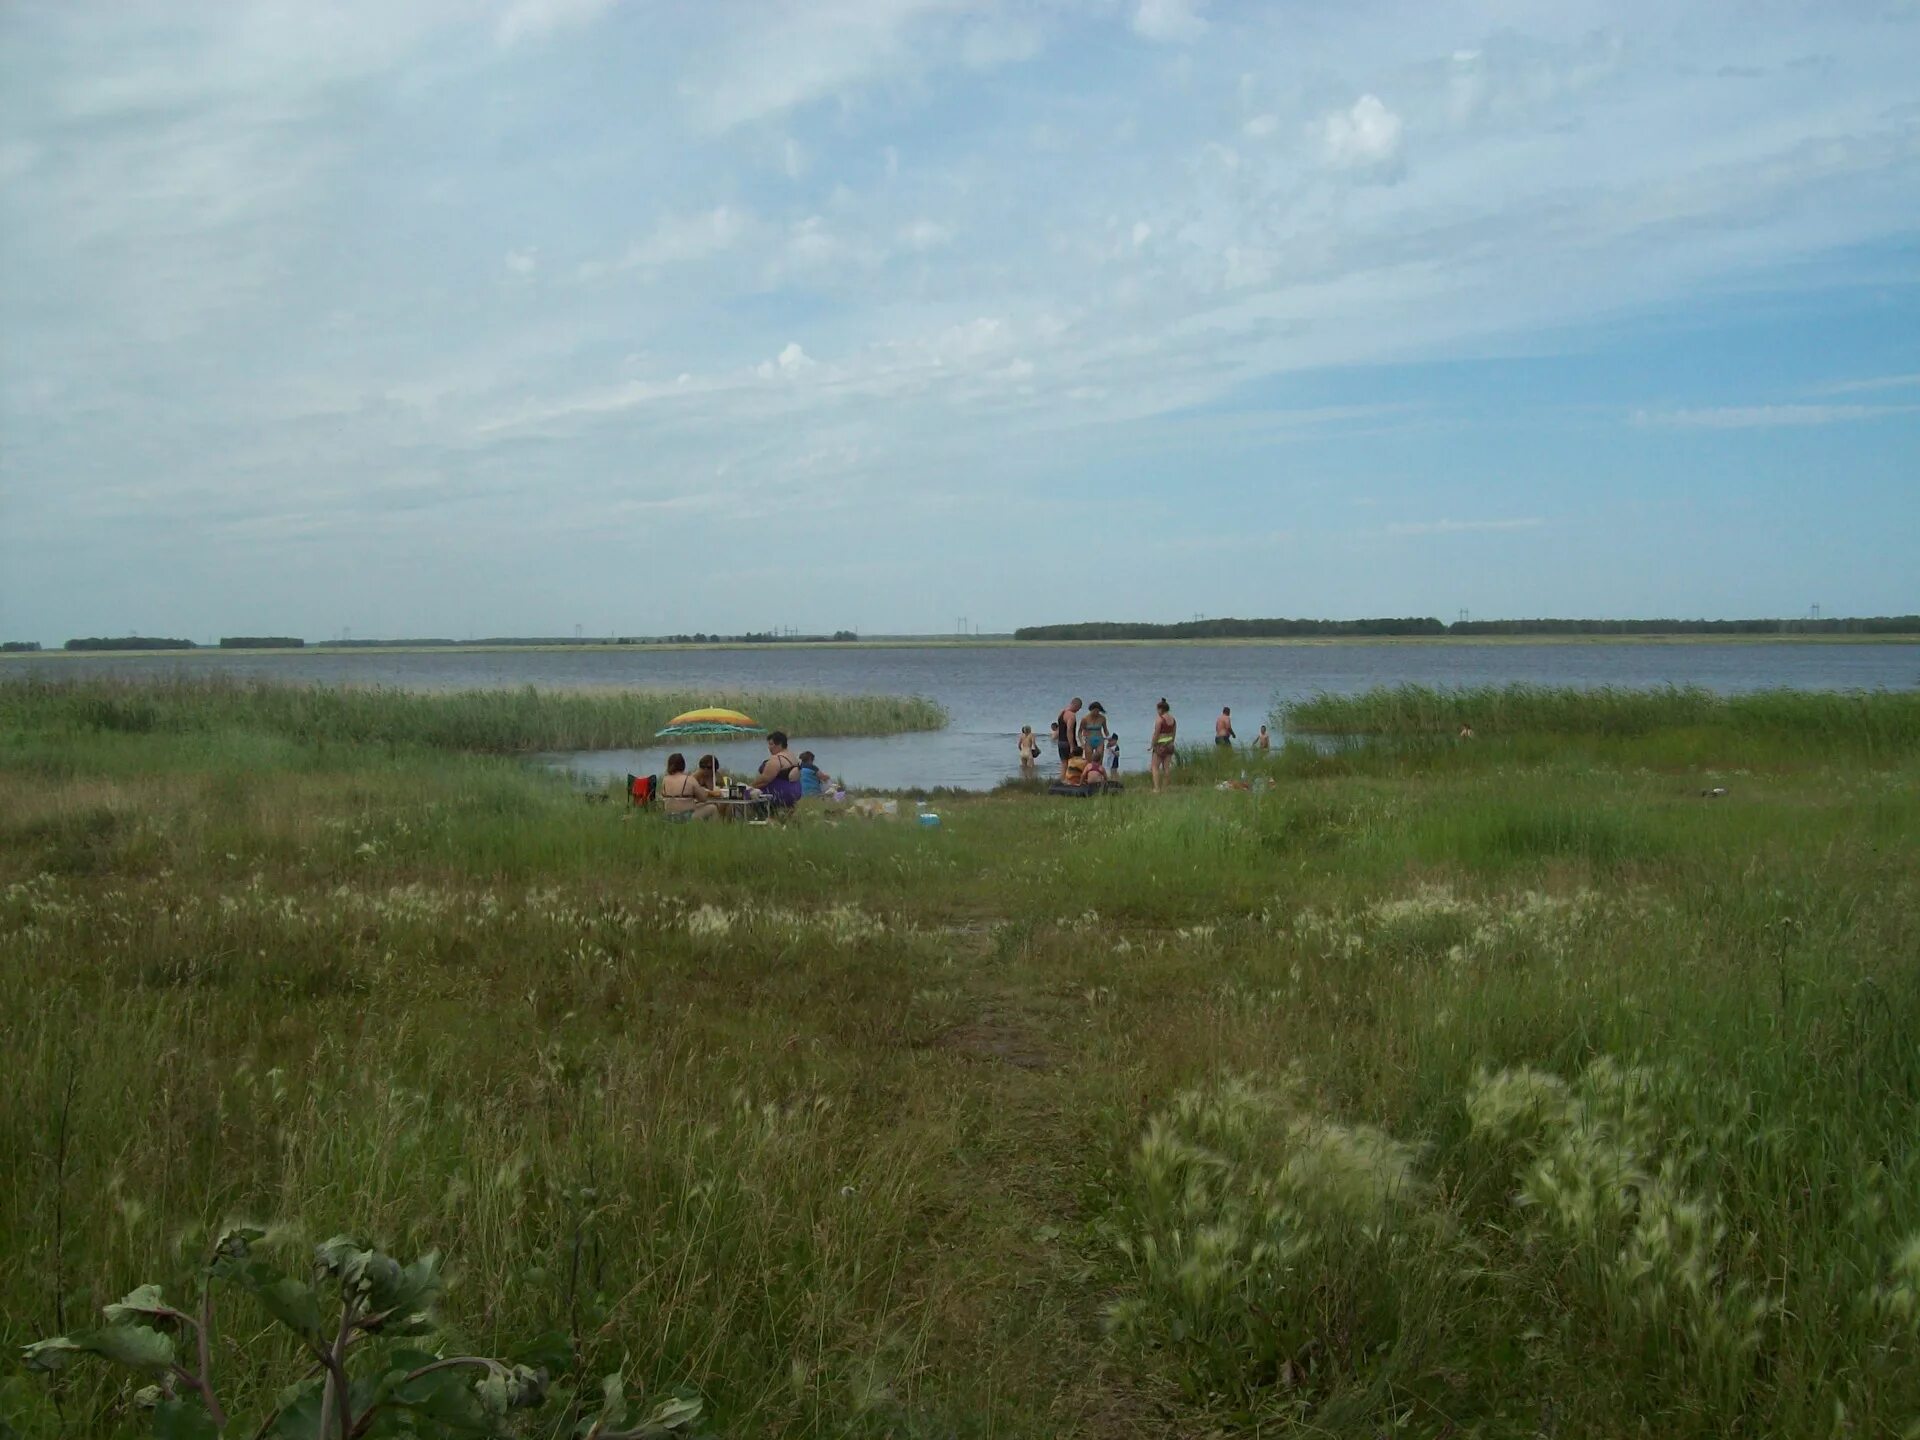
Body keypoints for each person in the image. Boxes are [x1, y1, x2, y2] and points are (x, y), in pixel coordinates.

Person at [659, 752, 718, 822]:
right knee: (713, 808)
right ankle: (715, 830)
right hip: (686, 816)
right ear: (683, 765)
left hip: (669, 816)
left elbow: (663, 795)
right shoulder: (689, 779)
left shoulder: (665, 780)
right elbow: (703, 799)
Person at [757, 731, 804, 808]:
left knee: (745, 794)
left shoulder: (777, 759)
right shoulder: (792, 756)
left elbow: (765, 780)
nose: (769, 747)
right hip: (796, 792)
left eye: (771, 744)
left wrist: (750, 787)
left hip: (779, 794)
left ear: (780, 744)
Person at [1150, 697, 1177, 793]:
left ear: (1161, 709)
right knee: (1166, 767)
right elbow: (1174, 733)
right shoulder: (1173, 719)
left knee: (1154, 767)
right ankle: (1165, 788)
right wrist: (1171, 742)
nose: (1157, 711)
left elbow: (1156, 734)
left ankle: (1157, 788)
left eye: (1158, 709)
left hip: (1160, 745)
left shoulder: (1160, 720)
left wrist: (1152, 745)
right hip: (1169, 745)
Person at [1056, 697, 1083, 780]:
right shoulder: (1071, 716)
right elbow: (1069, 731)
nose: (1078, 710)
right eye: (1078, 708)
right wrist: (1072, 746)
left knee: (1064, 763)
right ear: (1076, 705)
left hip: (1060, 742)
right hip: (1068, 742)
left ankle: (1062, 781)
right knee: (1072, 763)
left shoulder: (1062, 712)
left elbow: (1060, 728)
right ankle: (1070, 781)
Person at [1079, 700, 1109, 767]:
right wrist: (1082, 743)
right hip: (1089, 740)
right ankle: (1089, 775)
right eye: (1094, 711)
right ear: (1091, 710)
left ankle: (1099, 775)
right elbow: (1080, 732)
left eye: (1098, 711)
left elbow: (1105, 730)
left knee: (1099, 760)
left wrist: (1109, 739)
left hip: (1099, 740)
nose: (1096, 713)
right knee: (1089, 762)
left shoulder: (1102, 718)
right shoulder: (1085, 719)